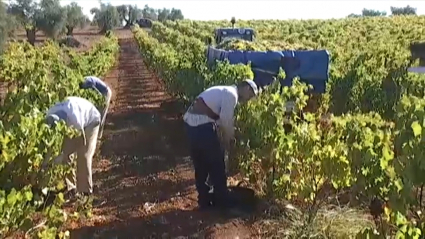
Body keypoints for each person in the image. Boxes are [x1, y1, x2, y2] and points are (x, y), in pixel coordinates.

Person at [183, 80, 258, 211]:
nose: (248, 100)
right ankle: (223, 201)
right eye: (250, 95)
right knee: (216, 163)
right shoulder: (231, 95)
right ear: (246, 88)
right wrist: (230, 140)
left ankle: (204, 200)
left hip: (191, 125)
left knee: (201, 164)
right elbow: (225, 121)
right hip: (201, 125)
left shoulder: (225, 91)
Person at [45, 96, 101, 201]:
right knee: (65, 154)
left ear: (64, 122)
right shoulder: (49, 114)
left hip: (91, 120)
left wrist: (61, 155)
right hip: (74, 117)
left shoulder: (74, 118)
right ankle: (70, 188)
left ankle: (86, 192)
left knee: (84, 154)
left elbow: (81, 141)